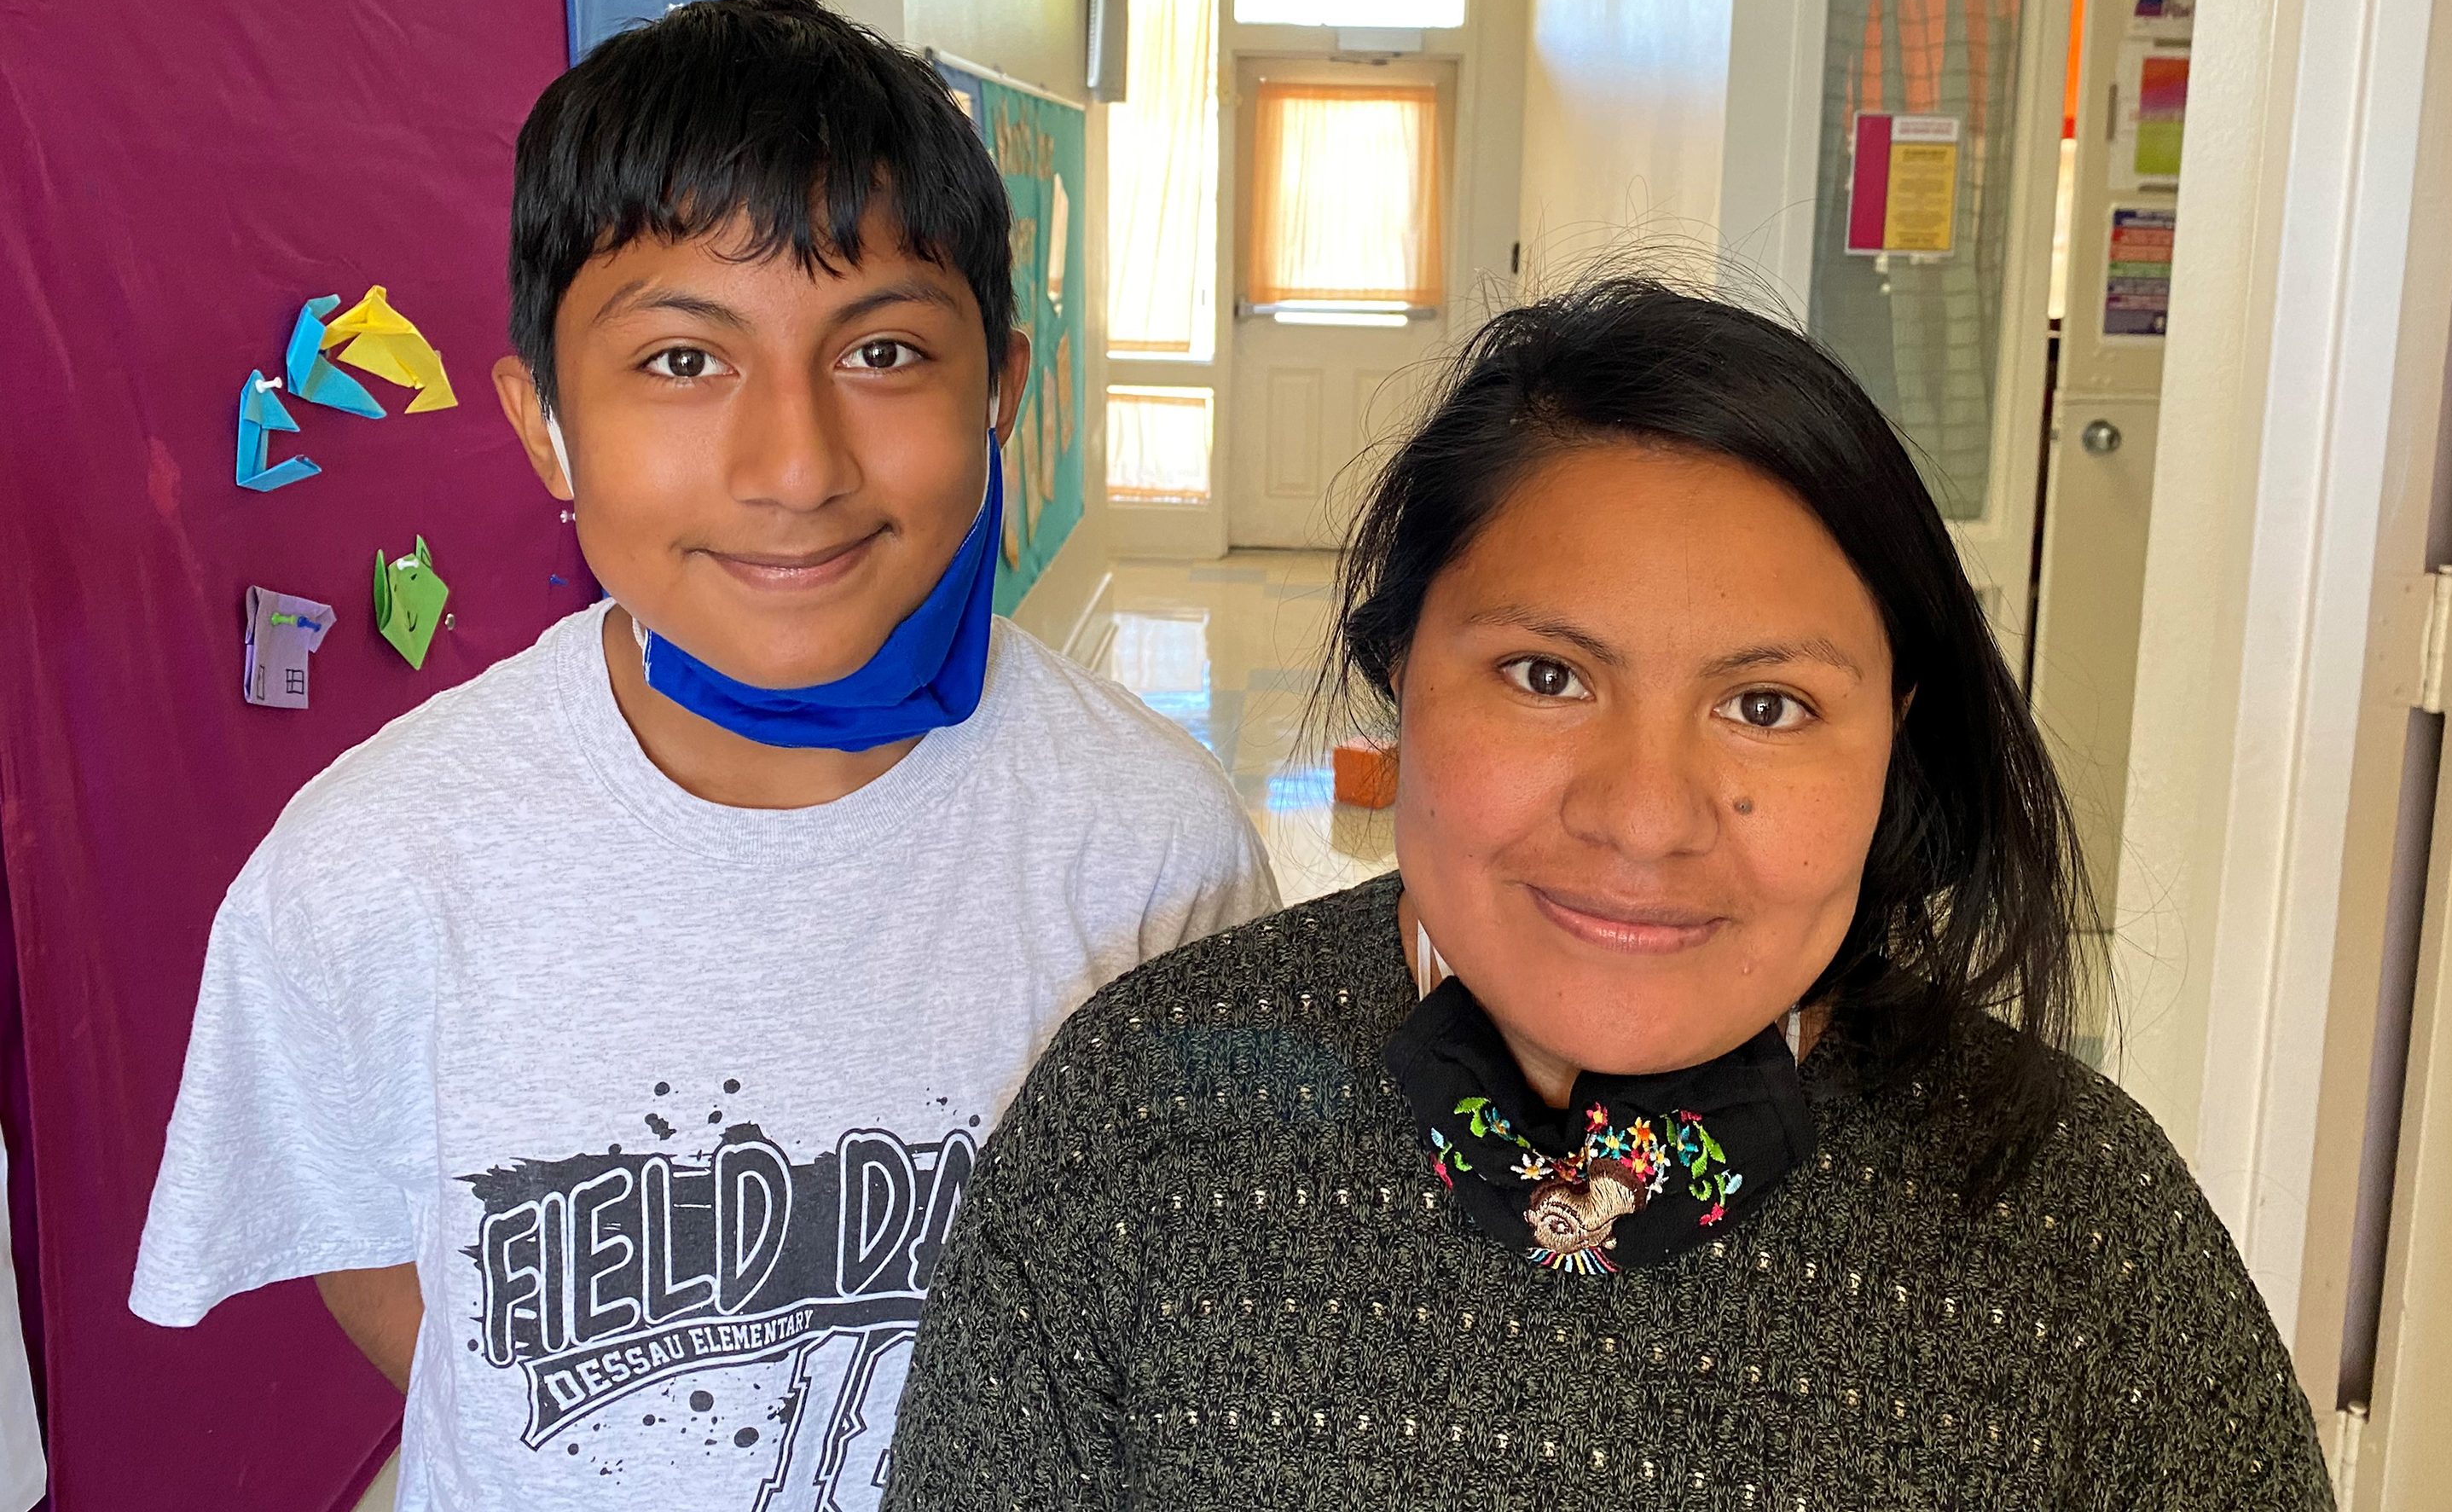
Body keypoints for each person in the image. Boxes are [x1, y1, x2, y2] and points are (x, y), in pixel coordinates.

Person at [882, 278, 2335, 1509]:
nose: (1644, 818)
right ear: (1401, 677)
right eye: (1544, 675)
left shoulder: (2070, 1223)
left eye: (1766, 705)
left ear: (1896, 732)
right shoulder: (1146, 1118)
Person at [130, 0, 1276, 1509]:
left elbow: (1192, 1305)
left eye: (880, 354)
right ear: (545, 426)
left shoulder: (1150, 848)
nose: (792, 465)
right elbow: (382, 1264)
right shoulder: (373, 864)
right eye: (682, 361)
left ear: (999, 391)